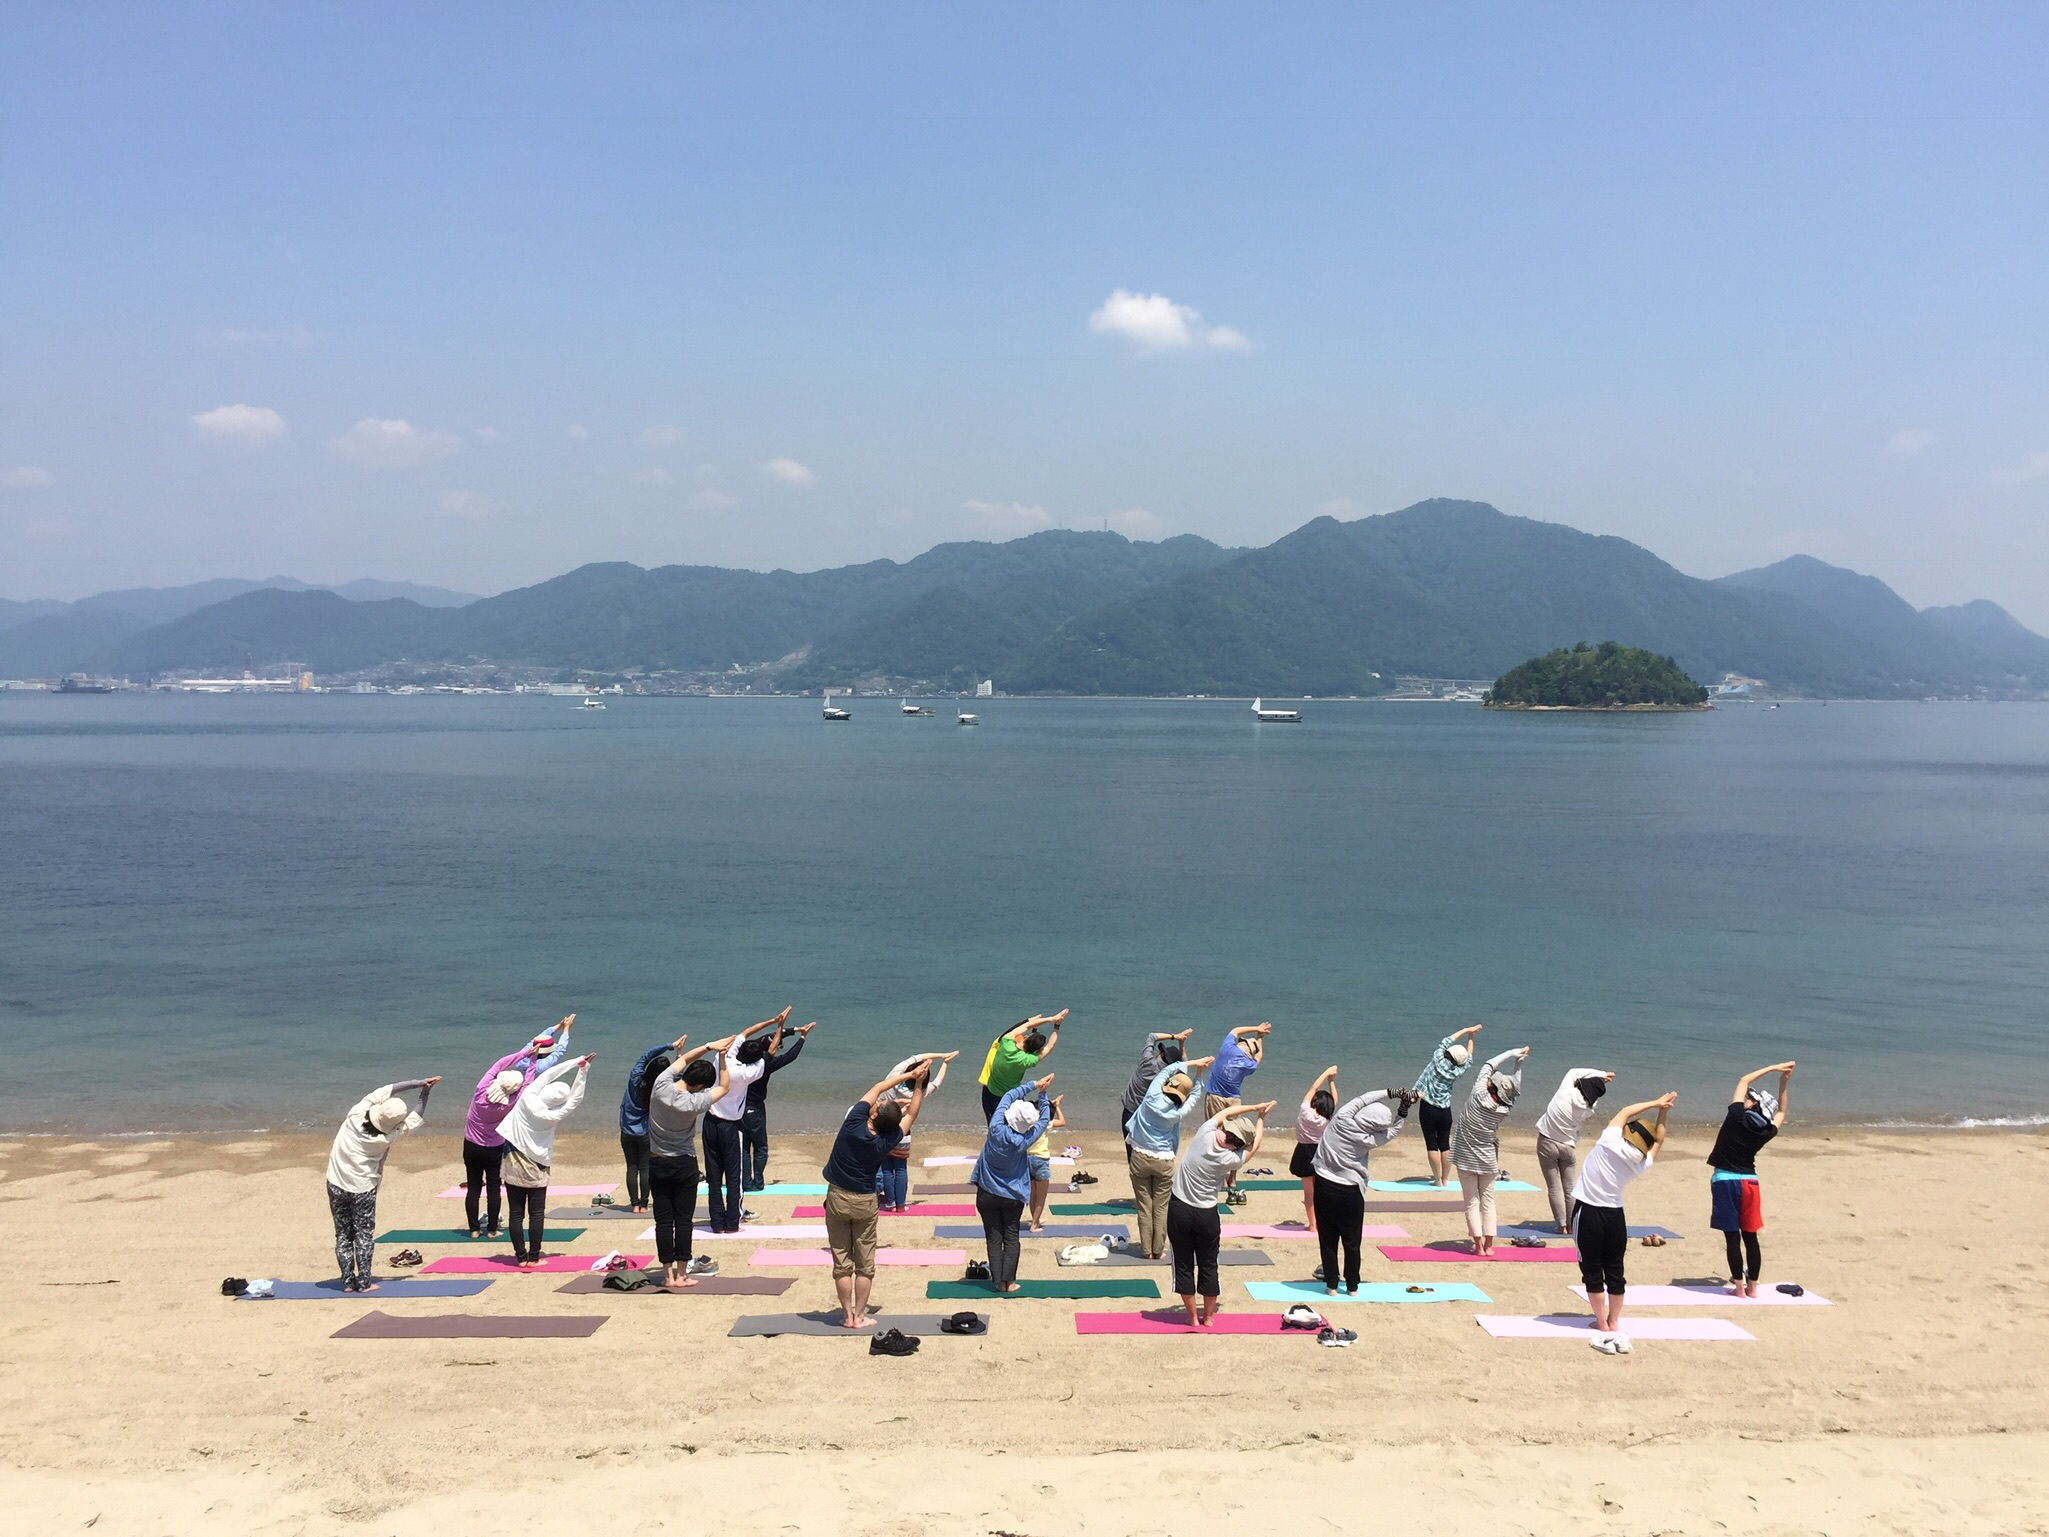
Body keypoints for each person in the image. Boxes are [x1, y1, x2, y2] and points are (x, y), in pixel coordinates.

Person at [821, 1059, 933, 1328]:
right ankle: (859, 1316)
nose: (878, 1101)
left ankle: (847, 1316)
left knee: (841, 1262)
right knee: (865, 1263)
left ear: (872, 1116)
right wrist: (918, 1084)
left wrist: (909, 1074)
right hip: (864, 1202)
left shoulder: (853, 1122)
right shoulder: (887, 1139)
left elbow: (878, 1087)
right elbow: (912, 1114)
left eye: (879, 1105)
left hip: (837, 1197)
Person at [1572, 1090, 1676, 1353]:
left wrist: (1656, 1103)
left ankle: (1601, 1323)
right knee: (1615, 1270)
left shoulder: (1608, 1141)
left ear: (1628, 1133)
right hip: (1615, 1216)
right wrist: (1663, 1114)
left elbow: (1626, 1110)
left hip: (1589, 1212)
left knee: (1591, 1269)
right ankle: (1614, 1320)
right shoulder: (1641, 1162)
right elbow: (1659, 1140)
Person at [325, 1076, 439, 1292]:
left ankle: (348, 1281)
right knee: (363, 1235)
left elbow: (389, 1088)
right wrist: (425, 1093)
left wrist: (419, 1082)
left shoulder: (356, 1113)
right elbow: (416, 1116)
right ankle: (364, 1283)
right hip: (362, 1188)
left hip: (336, 1181)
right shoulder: (389, 1136)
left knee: (343, 1234)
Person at [1167, 1100, 1276, 1326]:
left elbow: (1226, 1111)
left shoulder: (1205, 1133)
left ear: (1226, 1130)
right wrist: (1261, 1118)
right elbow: (1255, 1146)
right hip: (1206, 1215)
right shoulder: (1231, 1159)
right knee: (1209, 1264)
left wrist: (1254, 1107)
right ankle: (1208, 1318)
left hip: (1180, 1209)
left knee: (1183, 1264)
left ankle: (1192, 1318)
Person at [464, 1018, 571, 1236]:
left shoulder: (480, 1091)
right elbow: (529, 1082)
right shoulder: (512, 1102)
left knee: (474, 1187)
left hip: (471, 1145)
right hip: (494, 1147)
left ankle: (474, 1230)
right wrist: (532, 1059)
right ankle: (492, 1230)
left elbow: (500, 1063)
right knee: (494, 1187)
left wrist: (526, 1053)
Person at [1309, 1086, 1417, 1295]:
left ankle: (1331, 1285)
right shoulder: (1370, 1139)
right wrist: (1403, 1110)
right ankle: (1352, 1287)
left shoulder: (1342, 1118)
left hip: (1324, 1185)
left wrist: (1392, 1092)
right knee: (1352, 1241)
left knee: (1328, 1239)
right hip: (1351, 1190)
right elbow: (1392, 1132)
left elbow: (1364, 1098)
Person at [646, 1034, 732, 1291]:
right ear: (699, 1086)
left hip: (658, 1162)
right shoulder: (694, 1102)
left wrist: (709, 1047)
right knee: (683, 1220)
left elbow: (683, 1060)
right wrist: (723, 1057)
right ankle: (682, 1275)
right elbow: (724, 1087)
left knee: (663, 1221)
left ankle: (668, 1275)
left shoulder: (661, 1085)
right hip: (684, 1164)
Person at [1708, 1061, 1795, 1297]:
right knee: (1750, 1237)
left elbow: (1744, 1079)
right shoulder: (1765, 1131)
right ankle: (1752, 1288)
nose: (1745, 1098)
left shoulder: (1736, 1115)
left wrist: (1775, 1067)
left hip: (1725, 1181)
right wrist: (1783, 1083)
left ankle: (1739, 1288)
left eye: (1749, 1098)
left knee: (1732, 1237)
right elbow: (1781, 1112)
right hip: (1750, 1182)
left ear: (1753, 1104)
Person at [498, 1054, 594, 1265]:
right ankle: (534, 1257)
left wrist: (575, 1061)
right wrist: (583, 1071)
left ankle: (520, 1258)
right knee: (536, 1213)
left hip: (512, 1159)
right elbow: (575, 1099)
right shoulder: (553, 1115)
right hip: (536, 1166)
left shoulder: (527, 1097)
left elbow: (549, 1074)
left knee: (515, 1213)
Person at [703, 1007, 791, 1232]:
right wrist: (780, 1026)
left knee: (714, 1177)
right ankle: (732, 1221)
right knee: (734, 1176)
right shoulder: (749, 1072)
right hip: (730, 1127)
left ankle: (717, 1223)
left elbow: (746, 1032)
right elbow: (771, 1050)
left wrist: (772, 1020)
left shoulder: (723, 1058)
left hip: (709, 1122)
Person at [1124, 1056, 1214, 1259]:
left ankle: (1146, 1251)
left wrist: (1194, 1063)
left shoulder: (1152, 1096)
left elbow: (1167, 1070)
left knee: (1144, 1206)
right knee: (1161, 1207)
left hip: (1140, 1157)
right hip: (1164, 1160)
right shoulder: (1177, 1112)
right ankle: (1158, 1250)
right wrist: (1199, 1075)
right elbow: (1194, 1097)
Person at [972, 1074, 1055, 1293]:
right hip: (1012, 1196)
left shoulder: (995, 1127)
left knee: (993, 1238)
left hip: (987, 1192)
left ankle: (998, 1282)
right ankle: (1009, 1283)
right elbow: (1044, 1121)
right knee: (1011, 1237)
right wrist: (1043, 1095)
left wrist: (1034, 1085)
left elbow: (1009, 1095)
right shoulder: (1024, 1140)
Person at [1450, 1045, 1530, 1256]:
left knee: (1471, 1203)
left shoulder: (1477, 1094)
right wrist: (1519, 1065)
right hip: (1488, 1160)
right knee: (1488, 1202)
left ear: (1492, 1087)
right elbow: (1515, 1089)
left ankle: (1477, 1246)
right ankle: (1489, 1246)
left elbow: (1488, 1064)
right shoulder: (1504, 1108)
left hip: (1465, 1158)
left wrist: (1512, 1052)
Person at [1534, 1066, 1616, 1234]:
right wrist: (1600, 1082)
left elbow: (1573, 1072)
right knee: (1570, 1187)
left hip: (1547, 1143)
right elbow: (1591, 1094)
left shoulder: (1566, 1092)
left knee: (1554, 1187)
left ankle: (1561, 1225)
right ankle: (1572, 1225)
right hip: (1568, 1147)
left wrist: (1601, 1074)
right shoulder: (1588, 1110)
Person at [875, 1051, 953, 1211]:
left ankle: (890, 1202)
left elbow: (917, 1057)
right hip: (902, 1132)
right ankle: (901, 1205)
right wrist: (946, 1063)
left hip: (883, 1128)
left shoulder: (894, 1076)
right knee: (900, 1168)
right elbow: (938, 1082)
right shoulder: (919, 1092)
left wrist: (942, 1055)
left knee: (887, 1168)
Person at [742, 1018, 814, 1191]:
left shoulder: (742, 1057)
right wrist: (802, 1037)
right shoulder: (765, 1064)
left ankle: (745, 1183)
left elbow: (770, 1037)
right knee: (760, 1147)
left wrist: (796, 1029)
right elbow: (791, 1055)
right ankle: (758, 1182)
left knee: (744, 1147)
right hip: (755, 1109)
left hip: (738, 1108)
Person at [1411, 1024, 1484, 1186]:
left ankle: (1437, 1180)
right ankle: (1445, 1179)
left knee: (1431, 1144)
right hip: (1445, 1111)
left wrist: (1466, 1030)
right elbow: (1470, 1056)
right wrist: (1471, 1038)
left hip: (1428, 1108)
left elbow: (1447, 1040)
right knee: (1445, 1145)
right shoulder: (1458, 1070)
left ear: (1448, 1053)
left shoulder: (1438, 1058)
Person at [618, 1030, 674, 1217]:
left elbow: (646, 1055)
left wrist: (670, 1046)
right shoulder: (660, 1088)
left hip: (627, 1131)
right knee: (645, 1168)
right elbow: (679, 1076)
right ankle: (644, 1204)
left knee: (631, 1168)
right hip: (644, 1133)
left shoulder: (635, 1077)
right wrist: (680, 1055)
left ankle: (634, 1205)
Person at [976, 1009, 1067, 1120]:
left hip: (989, 1092)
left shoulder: (1006, 1043)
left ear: (1026, 1037)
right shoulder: (1027, 1060)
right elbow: (1050, 1046)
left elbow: (1026, 1025)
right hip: (1012, 1097)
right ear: (1034, 1051)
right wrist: (1057, 1026)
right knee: (1015, 1124)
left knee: (993, 1123)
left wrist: (1051, 1019)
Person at [1119, 1029, 1193, 1134]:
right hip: (1148, 1116)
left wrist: (1175, 1036)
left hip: (1129, 1111)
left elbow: (1152, 1036)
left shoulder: (1147, 1061)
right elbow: (1185, 1065)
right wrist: (1182, 1045)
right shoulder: (1168, 1076)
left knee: (1129, 1143)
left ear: (1162, 1054)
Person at [1293, 1065, 1339, 1232]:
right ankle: (1321, 1222)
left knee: (1309, 1192)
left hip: (1303, 1152)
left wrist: (1326, 1073)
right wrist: (1332, 1081)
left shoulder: (1305, 1111)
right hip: (1321, 1153)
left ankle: (1312, 1225)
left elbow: (1313, 1088)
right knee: (1321, 1191)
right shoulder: (1326, 1119)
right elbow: (1334, 1101)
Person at [1026, 1093, 1066, 1231]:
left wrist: (1051, 1104)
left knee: (1033, 1194)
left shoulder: (1028, 1122)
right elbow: (1062, 1122)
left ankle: (1035, 1220)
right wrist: (1057, 1107)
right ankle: (1034, 1224)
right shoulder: (1044, 1123)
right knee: (1041, 1196)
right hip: (1040, 1159)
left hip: (1026, 1159)